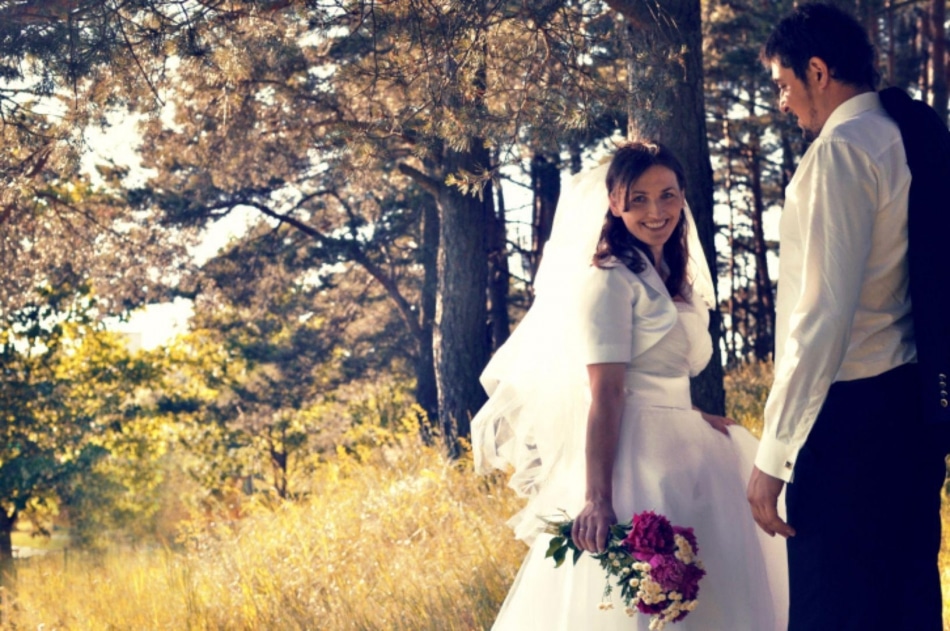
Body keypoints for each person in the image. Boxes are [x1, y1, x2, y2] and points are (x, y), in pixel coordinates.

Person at [473, 142, 787, 630]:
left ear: (683, 198)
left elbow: (659, 374)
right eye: (637, 198)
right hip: (637, 462)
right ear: (614, 203)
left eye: (667, 195)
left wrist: (690, 415)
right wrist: (598, 497)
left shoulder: (668, 275)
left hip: (687, 451)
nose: (655, 211)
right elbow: (606, 393)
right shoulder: (609, 280)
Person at [747, 4, 949, 630]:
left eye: (784, 84)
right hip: (910, 415)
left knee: (833, 609)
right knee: (905, 603)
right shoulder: (906, 135)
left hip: (849, 429)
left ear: (817, 70)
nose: (783, 103)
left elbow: (822, 321)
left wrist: (772, 459)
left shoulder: (842, 151)